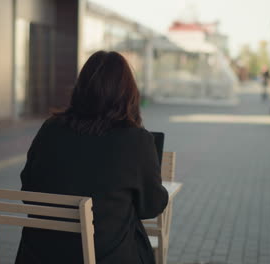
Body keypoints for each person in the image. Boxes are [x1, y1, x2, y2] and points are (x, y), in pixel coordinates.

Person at [15, 51, 169, 264]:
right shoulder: (136, 140)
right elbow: (150, 207)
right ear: (127, 92)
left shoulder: (50, 129)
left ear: (81, 88)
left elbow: (28, 190)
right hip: (106, 257)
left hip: (38, 255)